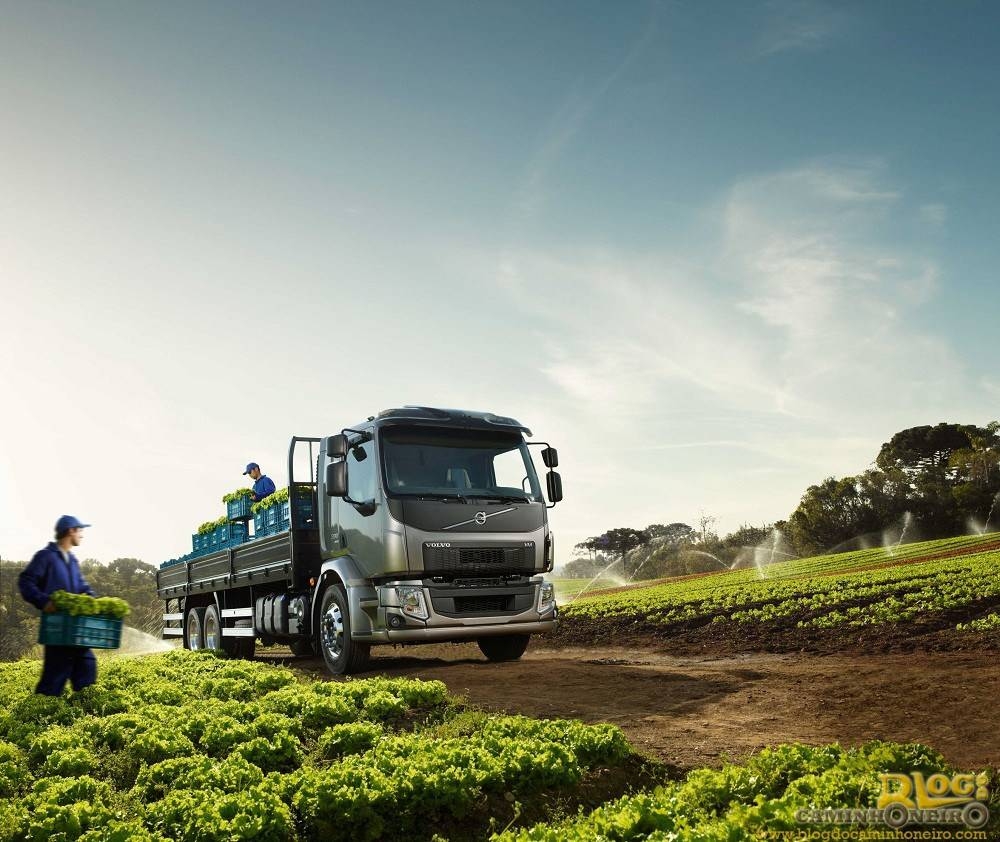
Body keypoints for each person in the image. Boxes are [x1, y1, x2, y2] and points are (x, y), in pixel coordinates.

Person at [18, 515, 98, 696]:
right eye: (80, 530)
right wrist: (43, 601)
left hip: (77, 630)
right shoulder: (46, 556)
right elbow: (26, 581)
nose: (82, 535)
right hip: (57, 629)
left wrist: (91, 598)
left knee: (87, 671)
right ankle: (38, 713)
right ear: (71, 531)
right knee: (54, 679)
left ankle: (87, 713)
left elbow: (82, 587)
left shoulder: (73, 561)